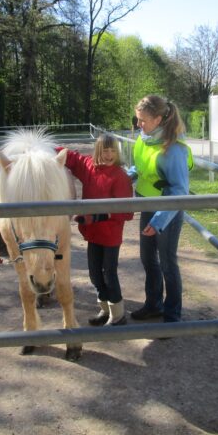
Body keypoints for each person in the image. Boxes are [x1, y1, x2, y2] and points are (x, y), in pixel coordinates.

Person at [129, 94, 192, 323]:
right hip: (147, 205)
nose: (139, 125)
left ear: (158, 119)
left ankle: (172, 314)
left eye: (143, 120)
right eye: (138, 120)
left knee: (167, 262)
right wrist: (124, 177)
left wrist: (158, 222)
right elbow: (139, 166)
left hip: (167, 213)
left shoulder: (173, 149)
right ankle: (153, 304)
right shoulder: (144, 139)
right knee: (147, 258)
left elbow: (179, 192)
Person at [61, 134, 133, 326]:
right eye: (104, 151)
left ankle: (118, 315)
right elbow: (71, 157)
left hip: (110, 235)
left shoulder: (120, 177)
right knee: (94, 273)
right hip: (93, 234)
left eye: (112, 151)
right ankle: (105, 309)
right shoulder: (89, 167)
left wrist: (97, 217)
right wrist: (42, 150)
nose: (109, 155)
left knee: (109, 273)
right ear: (98, 151)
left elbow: (126, 212)